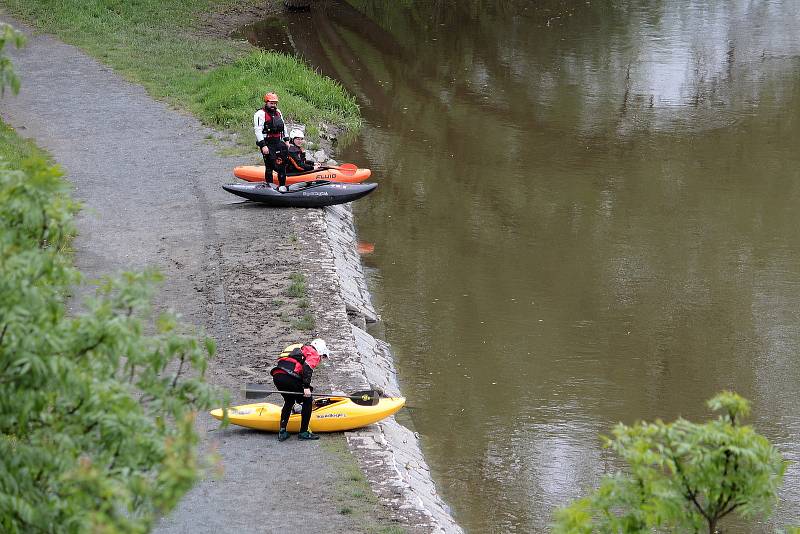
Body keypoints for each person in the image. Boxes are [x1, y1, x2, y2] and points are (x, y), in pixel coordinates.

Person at [269, 338, 331, 441]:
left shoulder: (300, 350)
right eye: (323, 356)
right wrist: (306, 388)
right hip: (289, 377)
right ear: (320, 350)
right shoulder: (313, 353)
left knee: (289, 401)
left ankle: (282, 431)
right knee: (307, 399)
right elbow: (307, 368)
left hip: (277, 377)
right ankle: (304, 432)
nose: (321, 359)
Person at [253, 92, 289, 192]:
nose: (273, 105)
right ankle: (269, 188)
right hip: (267, 143)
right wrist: (263, 146)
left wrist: (286, 140)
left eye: (275, 103)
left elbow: (283, 127)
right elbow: (258, 130)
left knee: (282, 166)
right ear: (266, 102)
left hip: (278, 142)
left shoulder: (278, 112)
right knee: (269, 167)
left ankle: (282, 187)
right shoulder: (260, 114)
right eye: (271, 103)